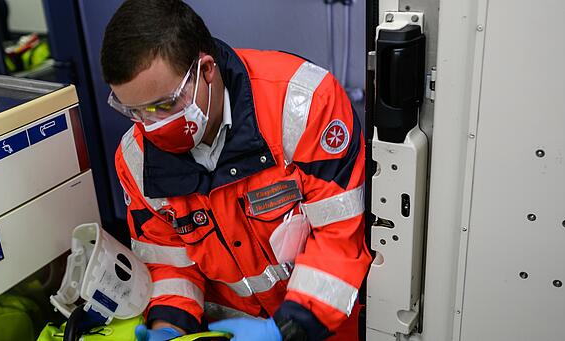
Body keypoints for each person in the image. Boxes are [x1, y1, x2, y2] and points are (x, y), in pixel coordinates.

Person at [101, 1, 370, 340]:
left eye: (165, 105)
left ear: (206, 70)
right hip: (227, 330)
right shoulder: (135, 159)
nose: (152, 127)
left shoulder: (303, 103)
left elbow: (341, 236)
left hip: (324, 323)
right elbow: (168, 263)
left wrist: (283, 331)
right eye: (136, 112)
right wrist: (168, 327)